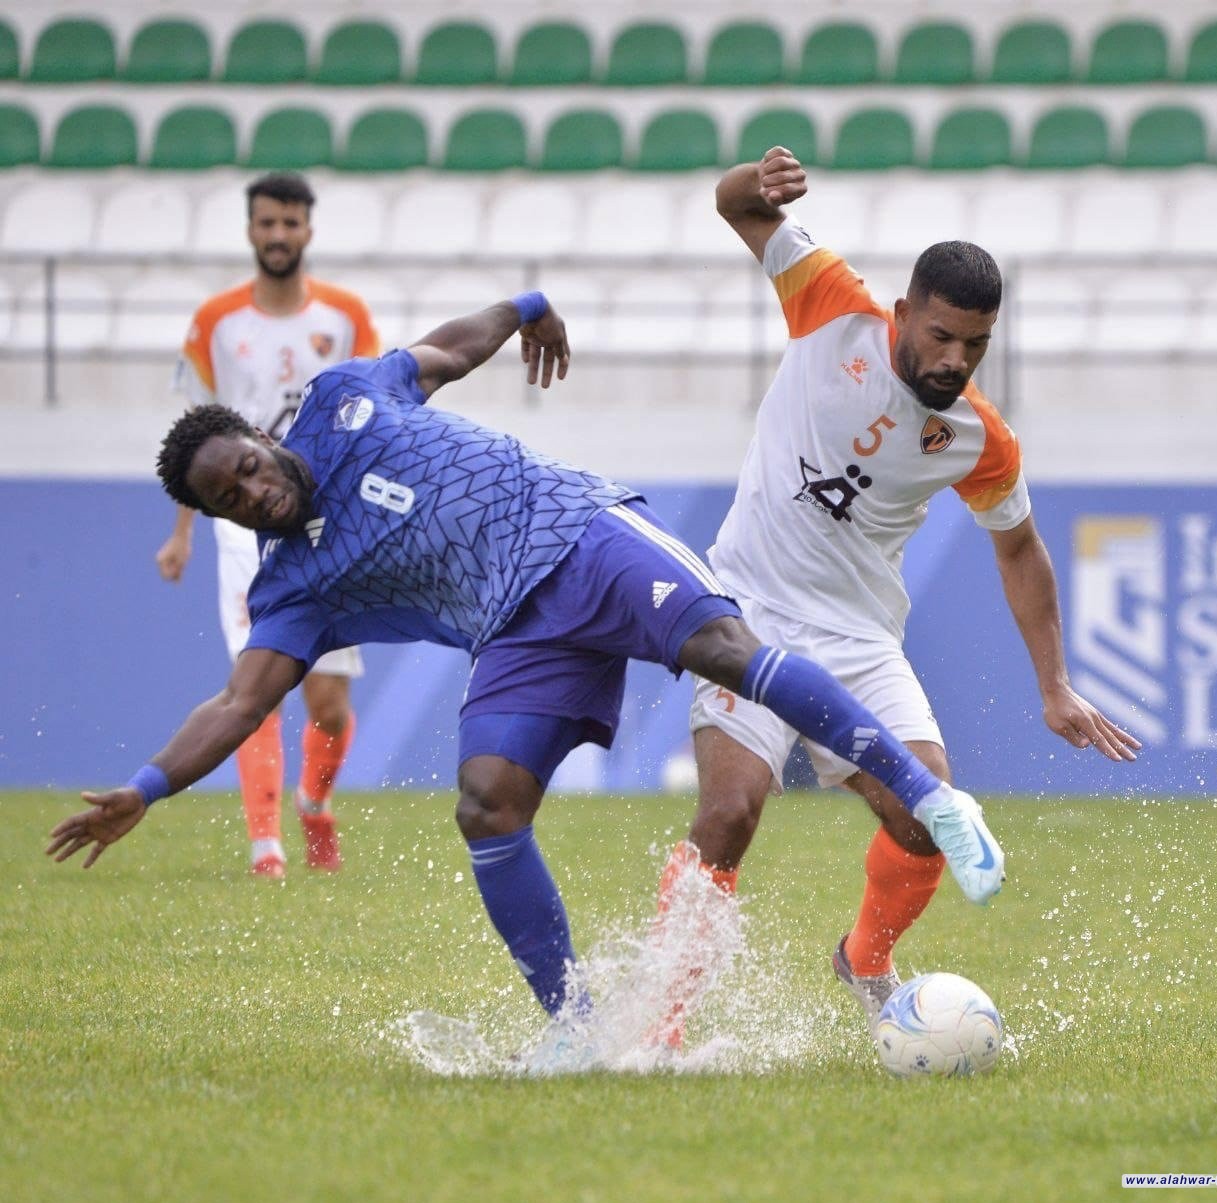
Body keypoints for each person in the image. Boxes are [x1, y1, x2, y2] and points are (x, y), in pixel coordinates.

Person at [48, 289, 1004, 1028]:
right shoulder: (291, 588)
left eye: (246, 467)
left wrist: (528, 307)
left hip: (580, 530)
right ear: (219, 518)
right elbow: (236, 703)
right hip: (515, 626)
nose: (251, 493)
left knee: (726, 646)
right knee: (486, 801)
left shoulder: (343, 397)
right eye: (229, 500)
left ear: (259, 437)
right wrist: (147, 785)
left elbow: (453, 351)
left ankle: (931, 803)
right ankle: (575, 1024)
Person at [654, 146, 1141, 1040]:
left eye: (976, 345)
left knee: (929, 816)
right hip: (747, 610)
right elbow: (732, 207)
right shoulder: (829, 301)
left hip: (858, 635)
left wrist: (1054, 684)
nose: (955, 360)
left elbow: (1022, 548)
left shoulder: (977, 439)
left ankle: (865, 959)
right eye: (941, 336)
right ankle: (661, 1023)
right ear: (904, 309)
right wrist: (749, 184)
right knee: (728, 809)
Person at [155, 171, 380, 878]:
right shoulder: (217, 323)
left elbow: (372, 414)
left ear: (308, 230)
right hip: (240, 532)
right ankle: (266, 849)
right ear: (250, 229)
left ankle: (313, 804)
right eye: (266, 223)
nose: (278, 235)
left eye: (290, 223)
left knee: (328, 699)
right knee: (252, 683)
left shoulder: (345, 316)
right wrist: (183, 530)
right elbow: (195, 442)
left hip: (325, 522)